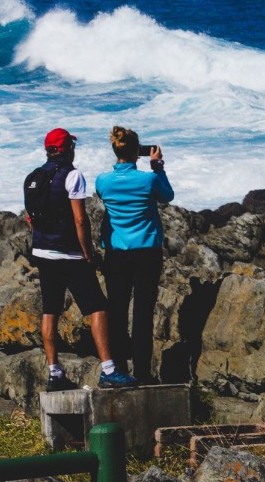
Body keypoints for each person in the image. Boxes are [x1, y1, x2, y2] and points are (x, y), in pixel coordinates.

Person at [22, 128, 132, 391]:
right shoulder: (73, 175)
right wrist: (88, 254)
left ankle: (54, 373)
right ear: (67, 148)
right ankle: (108, 370)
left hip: (42, 253)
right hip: (69, 254)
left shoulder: (32, 177)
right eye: (71, 145)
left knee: (50, 311)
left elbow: (31, 219)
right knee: (98, 307)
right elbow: (80, 220)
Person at [93, 127, 173, 384]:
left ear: (115, 150)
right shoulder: (148, 180)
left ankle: (119, 370)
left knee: (116, 312)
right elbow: (167, 196)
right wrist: (157, 166)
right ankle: (142, 372)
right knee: (142, 314)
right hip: (147, 253)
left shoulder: (102, 181)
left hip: (116, 253)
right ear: (137, 152)